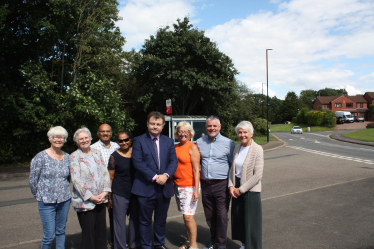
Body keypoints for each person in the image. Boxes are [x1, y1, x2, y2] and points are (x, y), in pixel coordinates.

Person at [131, 111, 178, 249]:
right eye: (152, 123)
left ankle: (159, 245)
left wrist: (166, 175)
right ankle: (146, 246)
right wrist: (155, 177)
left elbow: (173, 162)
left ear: (163, 126)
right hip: (145, 187)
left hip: (164, 188)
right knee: (145, 221)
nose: (155, 126)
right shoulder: (139, 140)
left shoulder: (168, 141)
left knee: (160, 221)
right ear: (147, 124)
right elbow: (138, 162)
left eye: (158, 124)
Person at [29, 126, 71, 249]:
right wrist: (39, 195)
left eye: (61, 137)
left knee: (61, 232)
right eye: (56, 137)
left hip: (64, 200)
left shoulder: (68, 157)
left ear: (65, 139)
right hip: (46, 201)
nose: (59, 139)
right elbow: (33, 180)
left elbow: (68, 179)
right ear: (50, 138)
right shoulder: (40, 157)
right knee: (49, 235)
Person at [196, 116, 235, 249]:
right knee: (210, 215)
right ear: (206, 127)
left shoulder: (228, 143)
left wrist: (231, 184)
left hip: (222, 185)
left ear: (220, 127)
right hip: (206, 185)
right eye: (209, 126)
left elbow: (232, 164)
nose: (212, 128)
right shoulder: (199, 142)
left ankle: (221, 244)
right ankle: (213, 241)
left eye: (214, 126)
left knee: (222, 216)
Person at [69, 127, 111, 249]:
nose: (84, 140)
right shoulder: (74, 156)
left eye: (86, 137)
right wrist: (91, 197)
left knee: (101, 231)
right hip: (85, 201)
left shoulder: (97, 153)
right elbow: (76, 180)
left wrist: (105, 192)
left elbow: (104, 173)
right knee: (89, 233)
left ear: (90, 138)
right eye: (81, 138)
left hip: (100, 198)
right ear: (77, 141)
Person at [228, 121, 264, 249]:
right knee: (239, 219)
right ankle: (243, 244)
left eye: (245, 132)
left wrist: (241, 189)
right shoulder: (237, 148)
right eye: (240, 132)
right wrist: (231, 186)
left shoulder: (258, 149)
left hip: (250, 190)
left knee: (252, 223)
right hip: (236, 187)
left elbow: (258, 175)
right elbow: (233, 169)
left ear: (251, 133)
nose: (242, 135)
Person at [108, 130, 141, 249]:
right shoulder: (114, 156)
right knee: (119, 223)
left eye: (126, 139)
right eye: (120, 141)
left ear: (130, 139)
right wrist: (109, 197)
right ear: (117, 142)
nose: (124, 143)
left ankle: (134, 244)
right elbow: (110, 178)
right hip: (120, 192)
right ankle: (120, 246)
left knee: (134, 220)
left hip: (136, 191)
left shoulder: (137, 152)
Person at [91, 123, 119, 247]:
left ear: (111, 133)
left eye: (108, 131)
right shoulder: (92, 148)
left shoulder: (117, 146)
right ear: (98, 133)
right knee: (100, 218)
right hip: (100, 188)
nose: (105, 133)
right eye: (102, 131)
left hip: (116, 185)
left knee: (115, 215)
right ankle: (100, 242)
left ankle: (114, 240)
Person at [173, 122, 201, 249]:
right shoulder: (175, 147)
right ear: (177, 133)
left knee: (188, 217)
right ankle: (188, 241)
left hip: (190, 186)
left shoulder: (192, 147)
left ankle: (194, 244)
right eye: (180, 131)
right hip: (178, 186)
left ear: (190, 134)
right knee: (185, 217)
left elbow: (196, 170)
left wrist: (196, 190)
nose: (183, 134)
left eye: (185, 131)